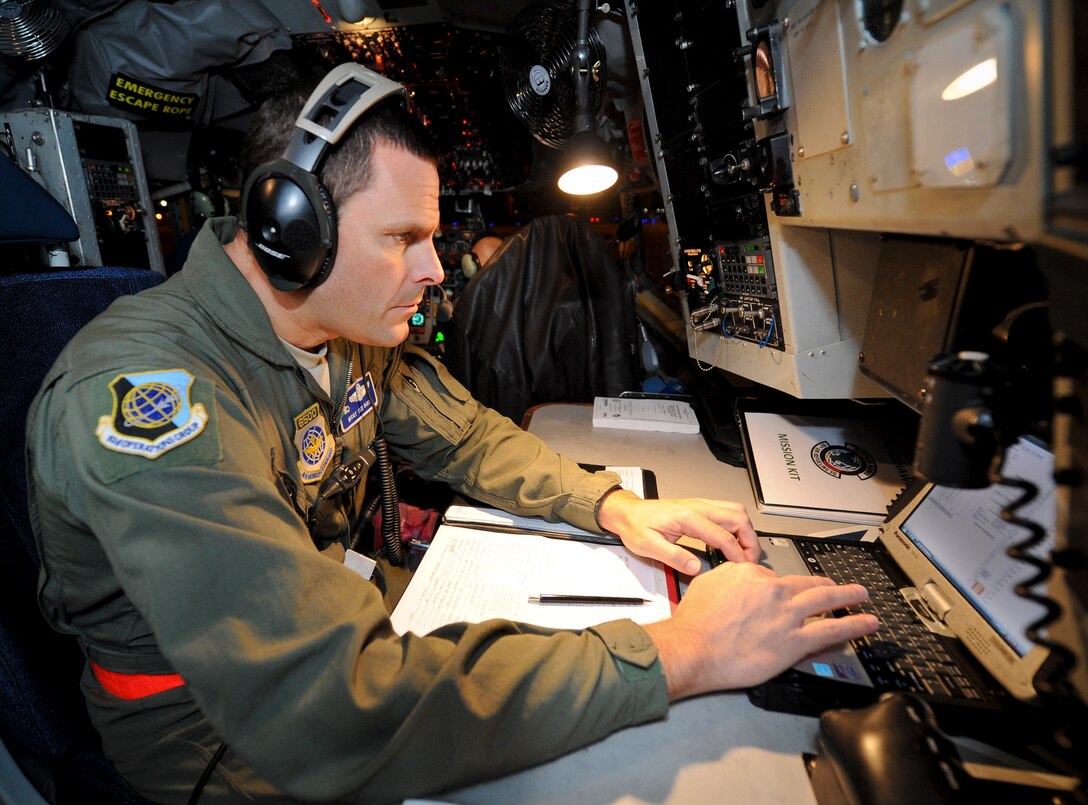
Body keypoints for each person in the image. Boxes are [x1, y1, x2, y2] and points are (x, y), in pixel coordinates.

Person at [26, 65, 878, 804]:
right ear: (291, 230)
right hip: (216, 736)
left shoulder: (346, 332)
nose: (436, 272)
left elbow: (466, 437)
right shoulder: (151, 402)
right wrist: (682, 652)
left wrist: (611, 505)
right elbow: (333, 709)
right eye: (403, 238)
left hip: (359, 622)